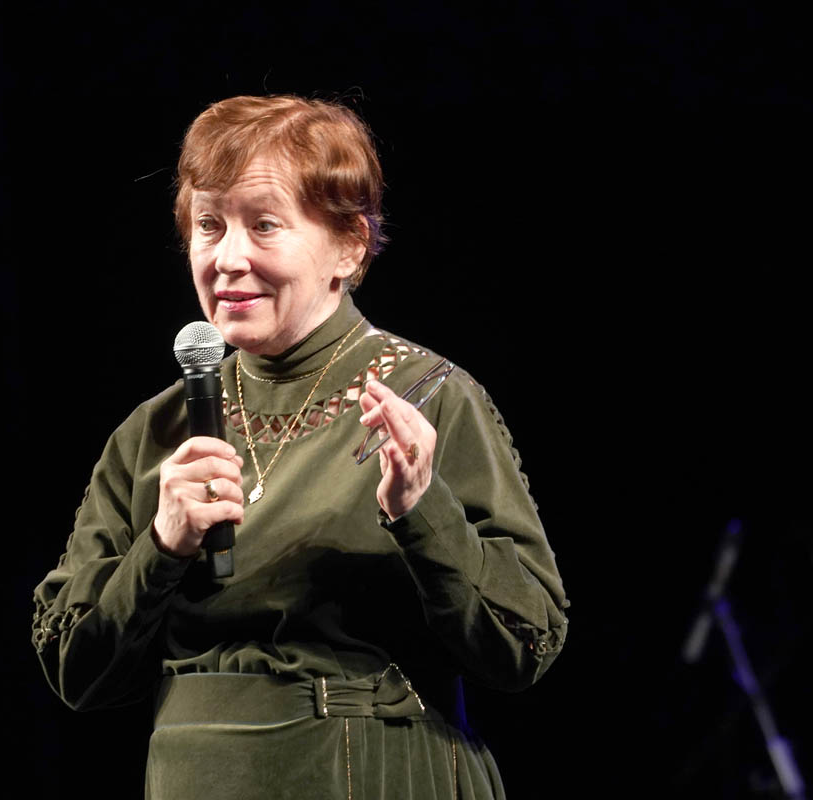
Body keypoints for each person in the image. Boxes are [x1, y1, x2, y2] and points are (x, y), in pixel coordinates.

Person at [32, 94, 569, 799]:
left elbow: (524, 645)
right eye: (209, 225)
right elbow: (74, 671)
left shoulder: (427, 397)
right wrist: (160, 547)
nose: (228, 258)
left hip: (369, 771)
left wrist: (421, 510)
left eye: (264, 225)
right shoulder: (153, 433)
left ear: (348, 246)